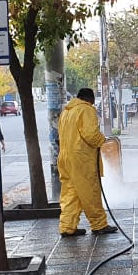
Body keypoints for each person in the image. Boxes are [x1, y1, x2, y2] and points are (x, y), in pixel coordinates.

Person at [57, 88, 117, 236]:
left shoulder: (66, 112)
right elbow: (90, 134)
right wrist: (101, 140)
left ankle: (67, 227)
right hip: (81, 158)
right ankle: (99, 225)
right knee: (90, 191)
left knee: (70, 193)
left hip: (65, 158)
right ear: (89, 99)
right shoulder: (86, 110)